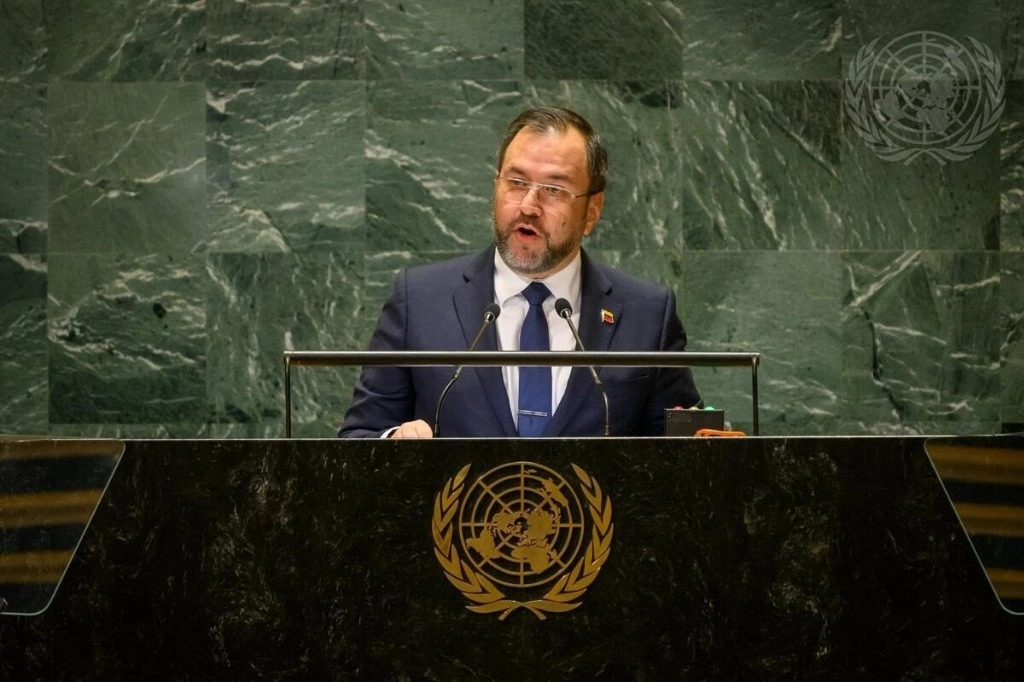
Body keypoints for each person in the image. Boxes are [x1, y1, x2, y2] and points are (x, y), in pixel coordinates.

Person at [339, 106, 701, 438]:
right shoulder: (419, 300)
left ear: (592, 211)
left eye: (554, 190)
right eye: (516, 182)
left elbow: (685, 460)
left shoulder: (647, 314)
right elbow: (357, 439)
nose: (528, 205)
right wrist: (393, 444)